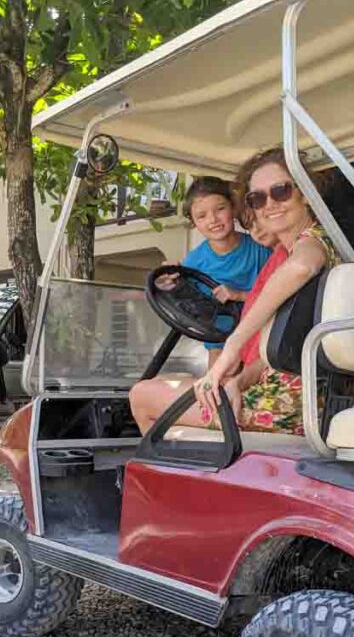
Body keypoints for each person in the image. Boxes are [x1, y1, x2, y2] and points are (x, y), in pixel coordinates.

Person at [130, 148, 338, 435]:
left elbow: (303, 265)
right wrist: (236, 382)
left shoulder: (313, 242)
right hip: (278, 390)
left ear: (304, 192)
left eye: (281, 191)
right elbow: (274, 355)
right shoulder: (286, 252)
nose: (270, 204)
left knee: (142, 396)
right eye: (258, 198)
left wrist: (233, 345)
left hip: (291, 405)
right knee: (171, 386)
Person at [163, 176, 272, 365]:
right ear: (194, 222)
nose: (213, 220)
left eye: (220, 209)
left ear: (233, 208)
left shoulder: (260, 249)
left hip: (261, 339)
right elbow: (186, 303)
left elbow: (280, 293)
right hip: (219, 343)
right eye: (202, 216)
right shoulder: (192, 262)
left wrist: (240, 295)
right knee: (214, 382)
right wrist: (169, 283)